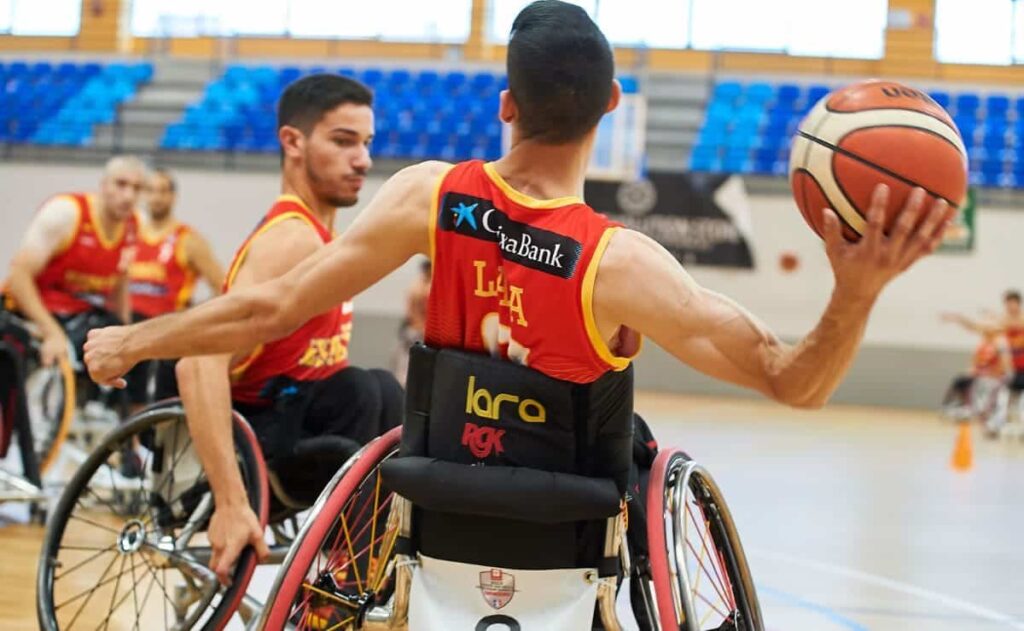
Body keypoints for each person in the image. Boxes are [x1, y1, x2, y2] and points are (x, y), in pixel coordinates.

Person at [84, 0, 953, 607]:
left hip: (435, 492)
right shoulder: (622, 264)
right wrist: (856, 291)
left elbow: (264, 309)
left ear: (505, 104)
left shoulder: (431, 197)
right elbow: (790, 379)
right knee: (639, 445)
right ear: (613, 107)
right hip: (565, 516)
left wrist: (133, 339)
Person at [171, 74, 400, 583]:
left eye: (366, 143)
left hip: (304, 424)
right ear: (293, 142)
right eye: (343, 142)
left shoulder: (323, 238)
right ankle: (343, 574)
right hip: (264, 444)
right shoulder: (289, 240)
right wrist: (231, 502)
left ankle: (373, 559)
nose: (362, 160)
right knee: (364, 386)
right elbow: (197, 362)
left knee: (381, 389)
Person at [3, 155, 146, 367]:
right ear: (104, 185)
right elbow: (18, 278)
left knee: (137, 346)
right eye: (121, 184)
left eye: (136, 188)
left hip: (78, 313)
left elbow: (120, 284)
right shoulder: (65, 213)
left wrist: (125, 337)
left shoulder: (135, 223)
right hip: (30, 309)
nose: (128, 196)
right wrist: (51, 332)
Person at [125, 168, 225, 406]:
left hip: (165, 331)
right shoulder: (129, 234)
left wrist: (193, 318)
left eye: (162, 191)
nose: (156, 197)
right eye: (150, 191)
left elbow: (222, 286)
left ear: (173, 197)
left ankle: (144, 439)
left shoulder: (188, 239)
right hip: (128, 328)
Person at [944, 290, 1024, 434]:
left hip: (1020, 368)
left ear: (1019, 304)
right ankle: (993, 421)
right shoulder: (1001, 324)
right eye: (1008, 304)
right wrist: (959, 319)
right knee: (997, 392)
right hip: (1007, 370)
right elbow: (977, 327)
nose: (1011, 307)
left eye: (1013, 304)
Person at [940, 328, 1006, 424]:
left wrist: (991, 373)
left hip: (990, 376)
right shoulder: (981, 347)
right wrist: (972, 370)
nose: (986, 336)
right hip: (979, 374)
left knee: (981, 385)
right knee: (959, 380)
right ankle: (952, 405)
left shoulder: (999, 348)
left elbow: (1000, 366)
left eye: (989, 333)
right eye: (985, 333)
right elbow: (975, 362)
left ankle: (982, 411)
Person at [392, 258, 430, 386]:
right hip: (416, 332)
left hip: (418, 332)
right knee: (405, 372)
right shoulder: (421, 289)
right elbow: (412, 312)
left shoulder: (419, 286)